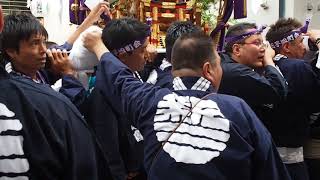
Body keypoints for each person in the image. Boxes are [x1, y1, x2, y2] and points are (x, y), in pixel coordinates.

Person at [84, 29, 291, 179]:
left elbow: (120, 78)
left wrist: (97, 46)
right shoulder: (237, 110)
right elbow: (270, 170)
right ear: (209, 69)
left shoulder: (148, 101)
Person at [0, 6, 111, 180]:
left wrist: (91, 16)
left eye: (44, 42)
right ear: (11, 51)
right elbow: (73, 108)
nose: (44, 50)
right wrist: (68, 74)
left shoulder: (39, 71)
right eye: (35, 44)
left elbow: (68, 43)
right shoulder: (17, 92)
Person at [84, 17, 150, 180]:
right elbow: (107, 146)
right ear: (122, 55)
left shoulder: (134, 74)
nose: (147, 55)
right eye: (142, 50)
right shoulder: (102, 91)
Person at [266, 17, 320, 180]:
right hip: (292, 158)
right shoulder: (296, 67)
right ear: (287, 46)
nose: (304, 48)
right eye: (300, 43)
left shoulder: (265, 66)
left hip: (269, 153)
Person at [218, 22, 288, 122]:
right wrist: (268, 60)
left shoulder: (225, 63)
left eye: (263, 43)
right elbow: (277, 91)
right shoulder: (237, 72)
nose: (264, 49)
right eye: (257, 43)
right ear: (237, 49)